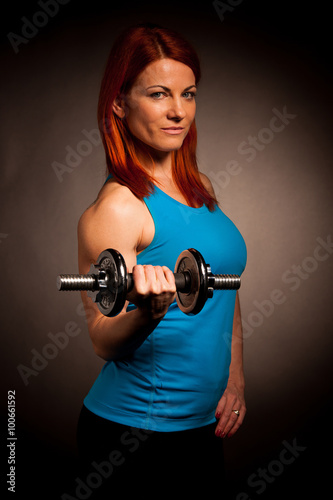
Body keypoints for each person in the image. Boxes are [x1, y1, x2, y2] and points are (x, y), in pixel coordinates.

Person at [75, 23, 247, 497]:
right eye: (157, 94)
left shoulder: (201, 188)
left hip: (199, 426)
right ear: (119, 102)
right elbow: (102, 342)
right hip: (133, 433)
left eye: (188, 94)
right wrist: (151, 312)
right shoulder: (118, 208)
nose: (178, 111)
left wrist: (235, 378)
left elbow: (221, 287)